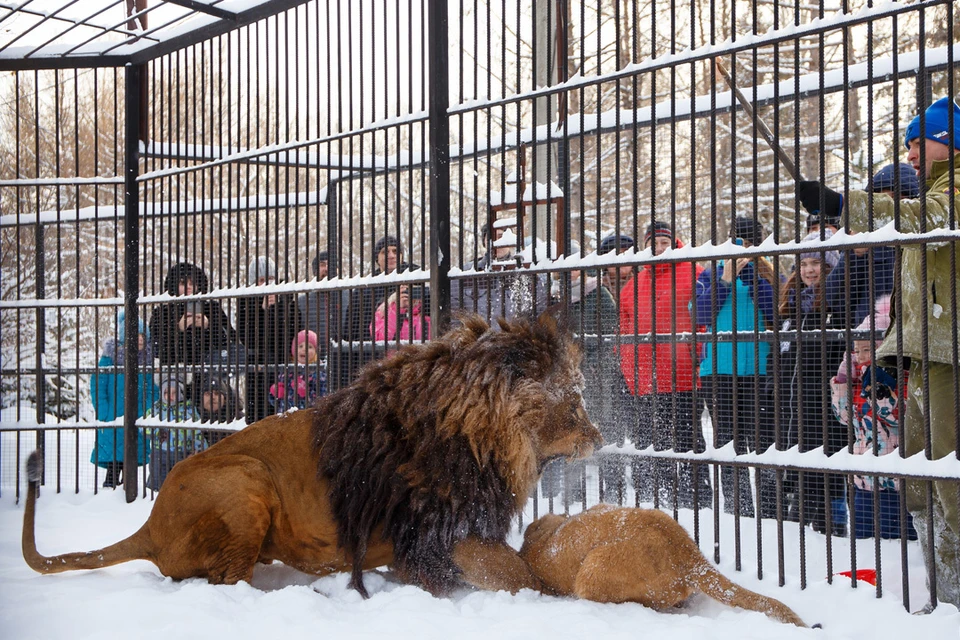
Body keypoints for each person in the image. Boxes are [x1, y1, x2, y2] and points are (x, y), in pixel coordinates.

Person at [798, 96, 960, 607]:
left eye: (919, 141)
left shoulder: (951, 191)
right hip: (919, 351)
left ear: (949, 141)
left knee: (950, 480)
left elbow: (925, 217)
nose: (911, 152)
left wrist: (845, 204)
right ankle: (942, 588)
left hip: (950, 354)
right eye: (908, 143)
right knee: (918, 477)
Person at [619, 221, 711, 509]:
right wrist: (631, 371)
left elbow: (705, 318)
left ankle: (695, 496)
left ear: (674, 242)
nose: (658, 248)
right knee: (649, 438)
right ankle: (651, 496)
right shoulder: (633, 285)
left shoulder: (694, 272)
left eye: (663, 242)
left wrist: (698, 357)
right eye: (653, 243)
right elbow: (623, 332)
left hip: (684, 374)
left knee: (687, 436)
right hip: (647, 377)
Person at [695, 217, 778, 517]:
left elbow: (775, 311)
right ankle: (736, 511)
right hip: (718, 371)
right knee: (729, 443)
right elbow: (700, 314)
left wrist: (753, 275)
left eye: (749, 242)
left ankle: (770, 514)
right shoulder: (711, 274)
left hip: (759, 372)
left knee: (765, 444)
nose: (742, 248)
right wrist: (725, 280)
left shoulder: (769, 273)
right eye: (737, 241)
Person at [777, 230, 847, 536]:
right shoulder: (790, 306)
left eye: (816, 262)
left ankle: (829, 526)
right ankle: (799, 527)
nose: (808, 269)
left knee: (824, 470)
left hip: (823, 404)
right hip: (793, 407)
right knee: (799, 467)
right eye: (804, 262)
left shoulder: (833, 307)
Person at [830, 296, 917, 540]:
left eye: (868, 349)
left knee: (900, 544)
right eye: (856, 350)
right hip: (864, 479)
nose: (860, 356)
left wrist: (879, 384)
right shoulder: (857, 381)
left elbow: (896, 416)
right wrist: (843, 381)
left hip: (897, 480)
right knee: (865, 543)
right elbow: (844, 417)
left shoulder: (903, 377)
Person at [824, 164, 917, 329]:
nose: (883, 208)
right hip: (866, 342)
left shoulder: (920, 242)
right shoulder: (864, 242)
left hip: (912, 335)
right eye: (877, 201)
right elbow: (836, 300)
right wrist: (854, 255)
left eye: (893, 199)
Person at [90, 311, 158, 488]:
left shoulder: (148, 360)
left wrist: (147, 409)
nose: (140, 339)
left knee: (131, 454)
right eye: (135, 335)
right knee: (114, 455)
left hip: (138, 414)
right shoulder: (110, 358)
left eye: (143, 335)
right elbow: (98, 385)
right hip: (113, 414)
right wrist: (103, 411)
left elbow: (153, 388)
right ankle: (111, 486)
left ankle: (128, 489)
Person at [237, 256, 303, 424]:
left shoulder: (287, 298)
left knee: (283, 413)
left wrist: (278, 308)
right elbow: (247, 338)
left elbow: (293, 333)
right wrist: (262, 311)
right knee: (259, 415)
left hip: (283, 363)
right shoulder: (245, 301)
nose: (267, 283)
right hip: (257, 366)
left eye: (270, 279)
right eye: (261, 280)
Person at [148, 262, 237, 367]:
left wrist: (208, 326)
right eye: (182, 283)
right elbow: (156, 346)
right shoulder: (162, 312)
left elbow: (230, 340)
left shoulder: (212, 308)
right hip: (175, 369)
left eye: (192, 283)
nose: (188, 287)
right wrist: (178, 328)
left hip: (209, 367)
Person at [145, 376, 202, 491]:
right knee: (157, 483)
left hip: (182, 453)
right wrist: (156, 432)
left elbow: (197, 431)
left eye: (174, 392)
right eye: (166, 392)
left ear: (181, 392)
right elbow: (144, 426)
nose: (170, 396)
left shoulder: (188, 409)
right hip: (159, 453)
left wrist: (197, 449)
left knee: (180, 483)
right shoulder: (156, 408)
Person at [299, 251, 346, 360]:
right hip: (313, 361)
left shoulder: (351, 296)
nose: (327, 268)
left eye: (332, 265)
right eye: (322, 265)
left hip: (345, 358)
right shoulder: (302, 302)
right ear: (315, 271)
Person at [269, 330, 328, 412]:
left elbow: (324, 399)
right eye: (300, 346)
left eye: (310, 347)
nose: (304, 349)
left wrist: (307, 395)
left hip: (307, 418)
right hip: (285, 418)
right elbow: (275, 403)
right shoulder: (287, 370)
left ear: (316, 351)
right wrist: (274, 394)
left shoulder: (320, 372)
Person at [191, 372, 242, 445]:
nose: (213, 397)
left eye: (217, 393)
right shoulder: (192, 419)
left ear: (225, 399)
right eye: (208, 394)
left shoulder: (238, 419)